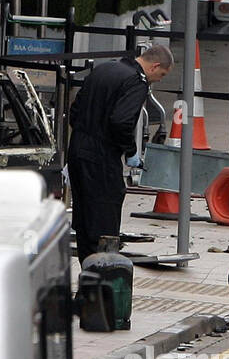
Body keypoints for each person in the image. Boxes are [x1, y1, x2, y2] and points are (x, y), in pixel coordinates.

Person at [67, 43, 174, 265]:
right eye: (161, 74)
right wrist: (131, 151)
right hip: (102, 157)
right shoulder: (137, 82)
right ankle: (102, 279)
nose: (159, 79)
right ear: (154, 66)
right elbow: (121, 122)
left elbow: (75, 110)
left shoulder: (105, 69)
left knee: (84, 216)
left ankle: (87, 276)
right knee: (104, 218)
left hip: (77, 150)